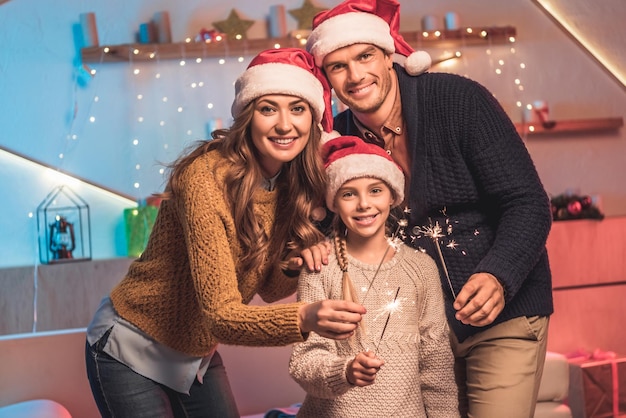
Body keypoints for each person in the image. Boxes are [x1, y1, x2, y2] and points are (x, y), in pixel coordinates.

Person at [84, 48, 367, 418]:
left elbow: (266, 288)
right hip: (130, 345)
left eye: (297, 109)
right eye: (269, 109)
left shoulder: (288, 182)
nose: (285, 125)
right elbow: (222, 316)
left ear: (313, 120)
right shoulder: (205, 178)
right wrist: (305, 318)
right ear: (248, 116)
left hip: (196, 353)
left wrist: (294, 266)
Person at [304, 1, 554, 417]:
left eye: (364, 56)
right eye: (338, 66)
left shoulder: (458, 100)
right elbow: (334, 229)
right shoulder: (336, 141)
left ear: (388, 56)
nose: (355, 75)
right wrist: (310, 241)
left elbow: (528, 203)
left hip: (504, 314)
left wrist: (499, 275)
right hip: (416, 331)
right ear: (327, 78)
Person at [289, 135, 459, 418]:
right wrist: (345, 372)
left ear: (393, 195)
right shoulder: (320, 266)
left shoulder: (422, 268)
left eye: (375, 190)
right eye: (348, 194)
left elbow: (436, 364)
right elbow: (304, 362)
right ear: (334, 202)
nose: (363, 204)